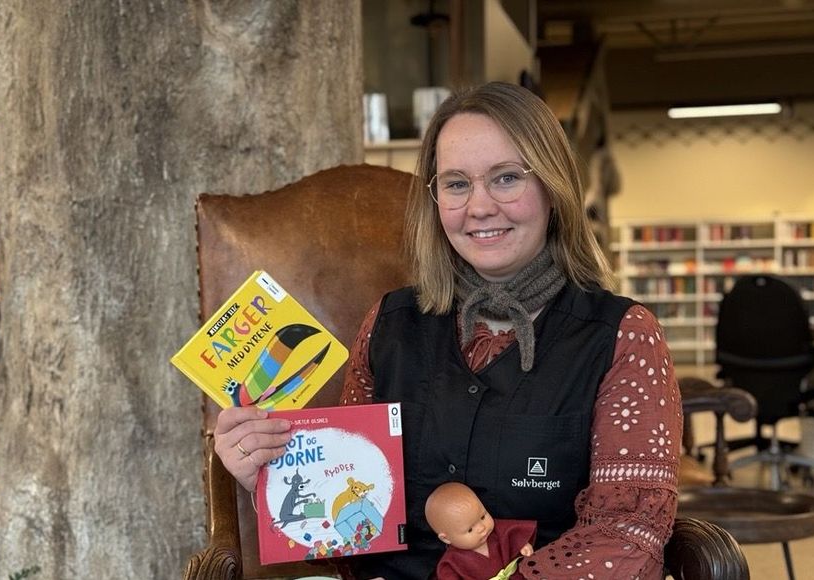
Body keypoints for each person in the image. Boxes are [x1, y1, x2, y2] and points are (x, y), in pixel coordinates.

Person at [214, 81, 682, 579]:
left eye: (505, 178)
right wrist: (264, 470)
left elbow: (626, 536)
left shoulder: (622, 336)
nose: (479, 207)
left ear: (553, 186)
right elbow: (347, 530)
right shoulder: (388, 325)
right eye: (457, 184)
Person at [425, 481, 535, 580]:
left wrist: (522, 545)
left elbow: (513, 535)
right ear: (446, 538)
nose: (482, 528)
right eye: (470, 529)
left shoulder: (497, 532)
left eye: (483, 517)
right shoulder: (451, 562)